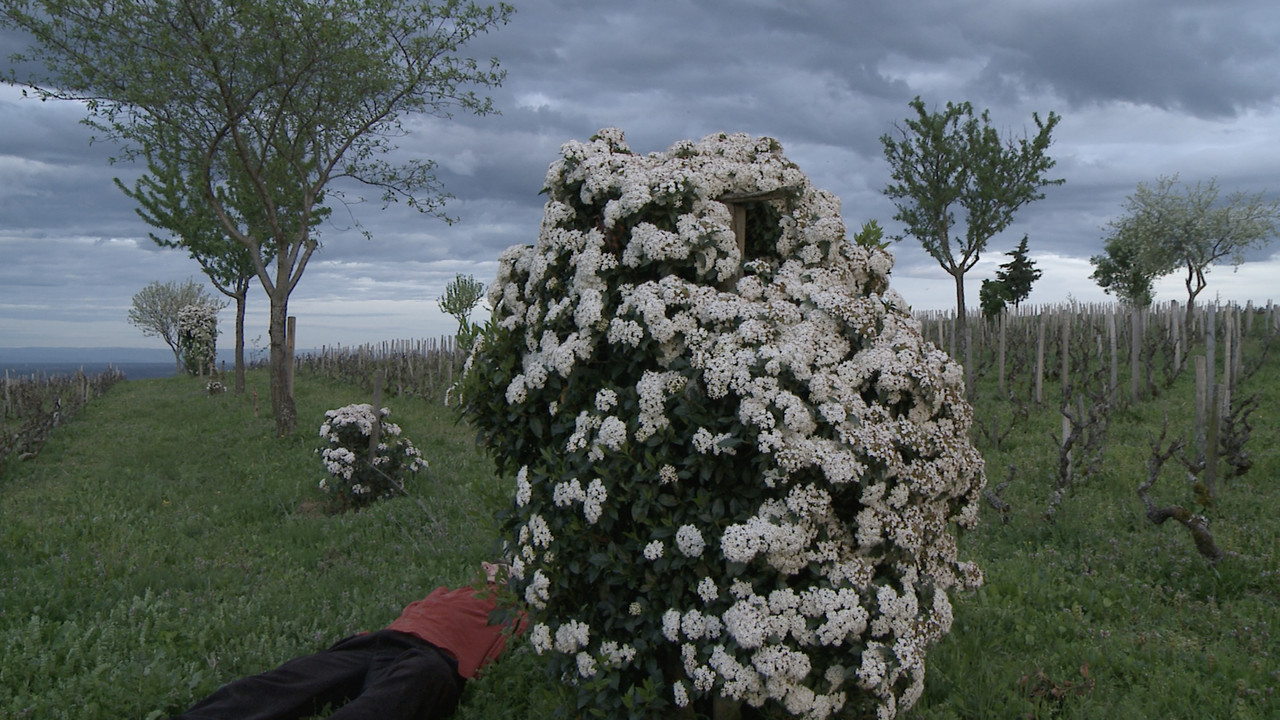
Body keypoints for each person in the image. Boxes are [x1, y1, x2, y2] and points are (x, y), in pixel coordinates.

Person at [171, 562, 525, 720]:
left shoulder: (524, 612)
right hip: (382, 641)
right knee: (290, 681)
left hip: (437, 660)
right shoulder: (456, 590)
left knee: (382, 705)